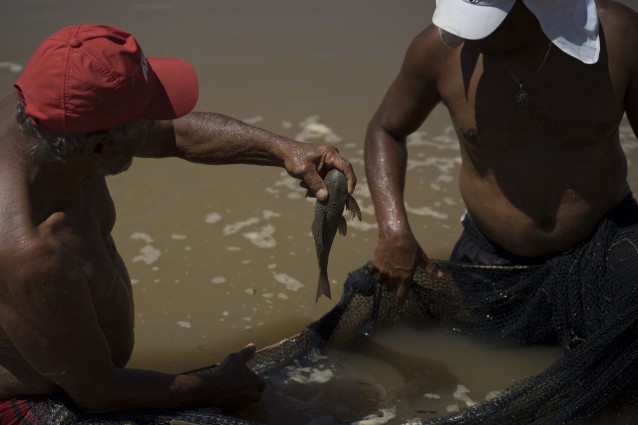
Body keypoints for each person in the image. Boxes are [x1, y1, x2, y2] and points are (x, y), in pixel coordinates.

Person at [0, 23, 356, 421]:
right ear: (100, 148)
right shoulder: (30, 250)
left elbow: (175, 135)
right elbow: (97, 391)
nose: (158, 122)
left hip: (85, 371)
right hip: (39, 401)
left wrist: (284, 149)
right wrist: (217, 388)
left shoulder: (47, 120)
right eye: (143, 118)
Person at [364, 0, 638, 301]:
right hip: (489, 257)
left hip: (609, 241)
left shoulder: (618, 36)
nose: (472, 36)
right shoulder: (438, 50)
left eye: (485, 23)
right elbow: (386, 130)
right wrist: (394, 232)